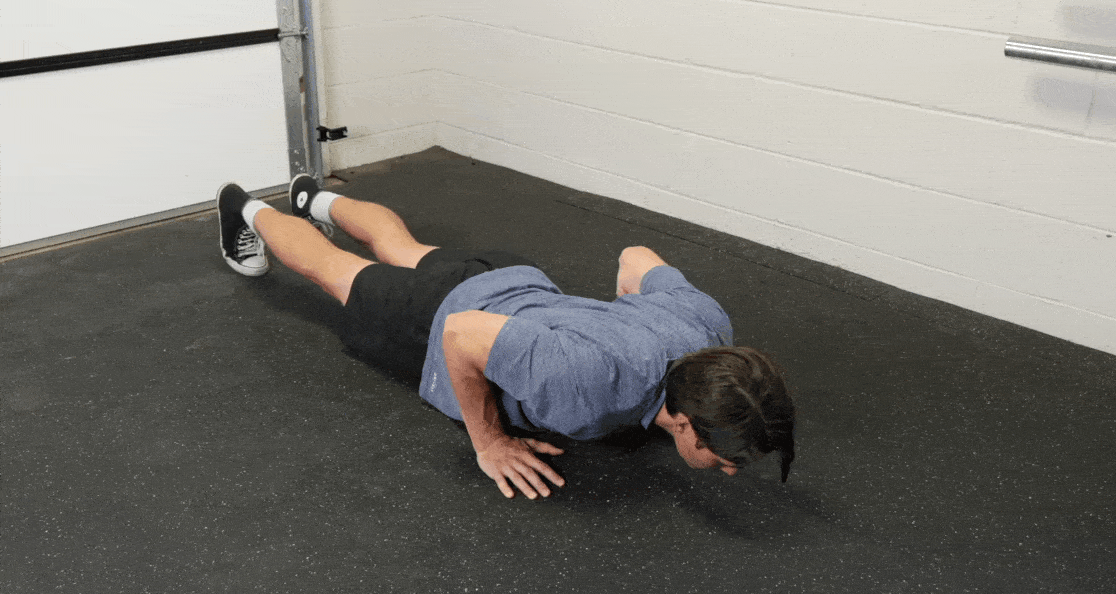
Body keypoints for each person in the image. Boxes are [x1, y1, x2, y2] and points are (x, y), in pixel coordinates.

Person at [216, 175, 796, 500]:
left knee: (401, 247)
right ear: (686, 423)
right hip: (443, 314)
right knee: (334, 269)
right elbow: (462, 334)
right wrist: (490, 442)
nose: (731, 470)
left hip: (513, 274)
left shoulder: (708, 327)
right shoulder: (582, 381)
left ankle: (313, 199)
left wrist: (612, 326)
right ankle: (243, 207)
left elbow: (637, 257)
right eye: (724, 459)